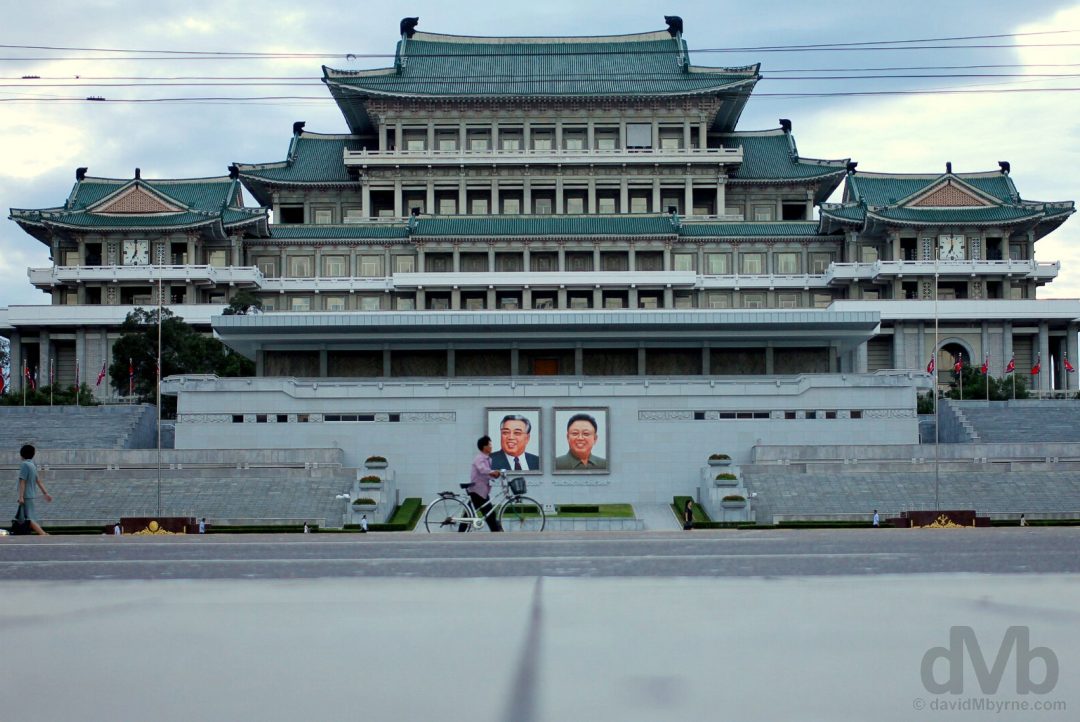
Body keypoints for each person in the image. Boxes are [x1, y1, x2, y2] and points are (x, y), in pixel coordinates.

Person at [466, 435, 503, 532]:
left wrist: (494, 475)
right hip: (477, 490)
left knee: (469, 515)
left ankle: (460, 533)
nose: (491, 447)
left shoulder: (488, 459)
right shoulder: (479, 458)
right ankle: (496, 533)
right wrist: (493, 472)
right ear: (484, 447)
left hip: (482, 491)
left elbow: (486, 474)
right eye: (489, 445)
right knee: (489, 514)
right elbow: (482, 469)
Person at [16, 444, 52, 536]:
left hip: (26, 496)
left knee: (28, 518)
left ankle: (43, 534)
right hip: (31, 495)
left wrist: (21, 496)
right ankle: (41, 533)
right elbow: (38, 481)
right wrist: (46, 493)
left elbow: (22, 481)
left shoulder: (24, 465)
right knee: (23, 517)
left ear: (21, 454)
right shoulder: (32, 465)